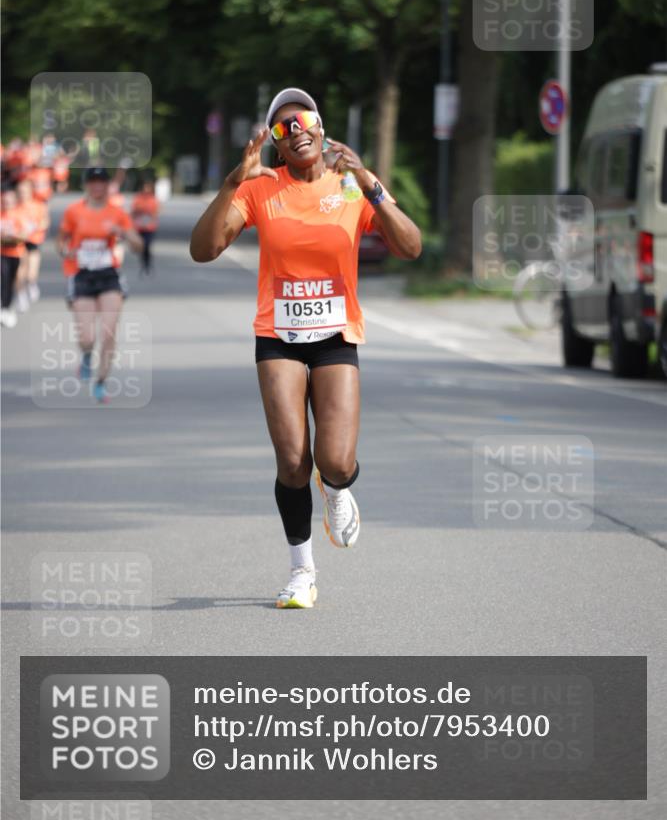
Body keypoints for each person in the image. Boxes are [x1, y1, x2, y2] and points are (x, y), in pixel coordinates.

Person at [190, 88, 421, 608]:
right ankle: (302, 572)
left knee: (334, 461)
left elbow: (410, 246)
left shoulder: (352, 185)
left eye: (304, 121)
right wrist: (231, 183)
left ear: (321, 127)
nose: (296, 132)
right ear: (275, 143)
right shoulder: (261, 187)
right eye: (283, 128)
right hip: (278, 336)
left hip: (336, 335)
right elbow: (204, 250)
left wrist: (371, 185)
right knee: (293, 461)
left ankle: (336, 489)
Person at [56, 166, 143, 403]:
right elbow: (61, 242)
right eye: (92, 182)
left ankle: (101, 382)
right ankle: (86, 356)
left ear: (107, 185)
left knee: (108, 332)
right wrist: (65, 251)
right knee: (87, 337)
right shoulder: (74, 211)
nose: (96, 186)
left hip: (108, 275)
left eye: (101, 182)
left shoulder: (117, 213)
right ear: (86, 185)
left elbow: (138, 245)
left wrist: (123, 233)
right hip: (82, 274)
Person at [15, 178, 49, 309]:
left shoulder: (38, 206)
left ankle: (31, 284)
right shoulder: (13, 206)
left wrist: (32, 229)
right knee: (19, 272)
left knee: (31, 273)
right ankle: (21, 295)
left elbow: (44, 222)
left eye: (25, 191)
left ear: (31, 191)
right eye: (20, 191)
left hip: (33, 241)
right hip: (17, 243)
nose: (22, 194)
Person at [1, 185, 32, 328]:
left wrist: (12, 238)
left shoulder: (19, 215)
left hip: (16, 253)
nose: (6, 203)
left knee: (12, 280)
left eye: (9, 200)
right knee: (4, 278)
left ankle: (8, 306)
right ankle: (4, 308)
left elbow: (24, 235)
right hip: (2, 253)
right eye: (4, 201)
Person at [131, 177, 160, 274]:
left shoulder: (153, 199)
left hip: (150, 227)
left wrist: (149, 213)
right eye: (144, 187)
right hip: (140, 227)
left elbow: (156, 211)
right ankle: (144, 263)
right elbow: (133, 211)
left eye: (148, 188)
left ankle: (147, 262)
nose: (146, 190)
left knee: (147, 245)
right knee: (142, 246)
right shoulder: (138, 198)